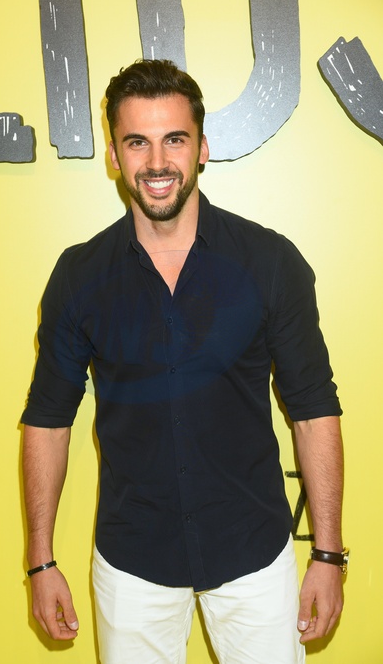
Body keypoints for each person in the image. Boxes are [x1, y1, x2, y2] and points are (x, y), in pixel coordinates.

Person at [21, 59, 346, 664]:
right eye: (136, 142)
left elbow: (312, 410)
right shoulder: (79, 276)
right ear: (113, 155)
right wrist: (40, 561)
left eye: (175, 139)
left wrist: (328, 555)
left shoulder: (270, 262)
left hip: (253, 552)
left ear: (202, 148)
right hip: (132, 562)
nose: (157, 161)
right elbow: (47, 421)